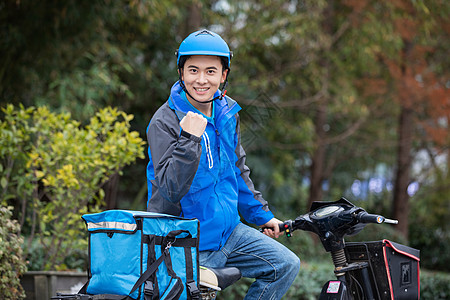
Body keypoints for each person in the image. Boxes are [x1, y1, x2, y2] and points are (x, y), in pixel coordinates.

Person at [146, 29, 300, 299]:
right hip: (188, 242)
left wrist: (262, 216)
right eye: (193, 70)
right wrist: (189, 139)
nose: (201, 80)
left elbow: (237, 169)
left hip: (230, 233)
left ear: (223, 75)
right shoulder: (165, 121)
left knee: (285, 264)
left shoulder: (227, 111)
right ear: (181, 73)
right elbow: (170, 190)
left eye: (210, 71)